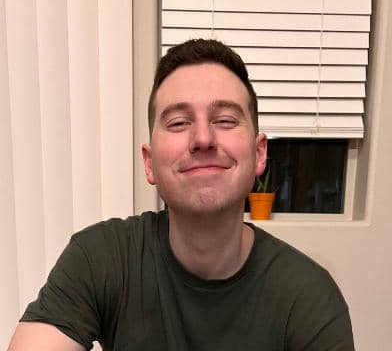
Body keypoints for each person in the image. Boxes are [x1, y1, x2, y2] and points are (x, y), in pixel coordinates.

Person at [8, 39, 354, 351]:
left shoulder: (309, 297)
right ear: (149, 163)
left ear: (259, 153)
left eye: (225, 120)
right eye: (178, 123)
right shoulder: (100, 258)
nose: (203, 138)